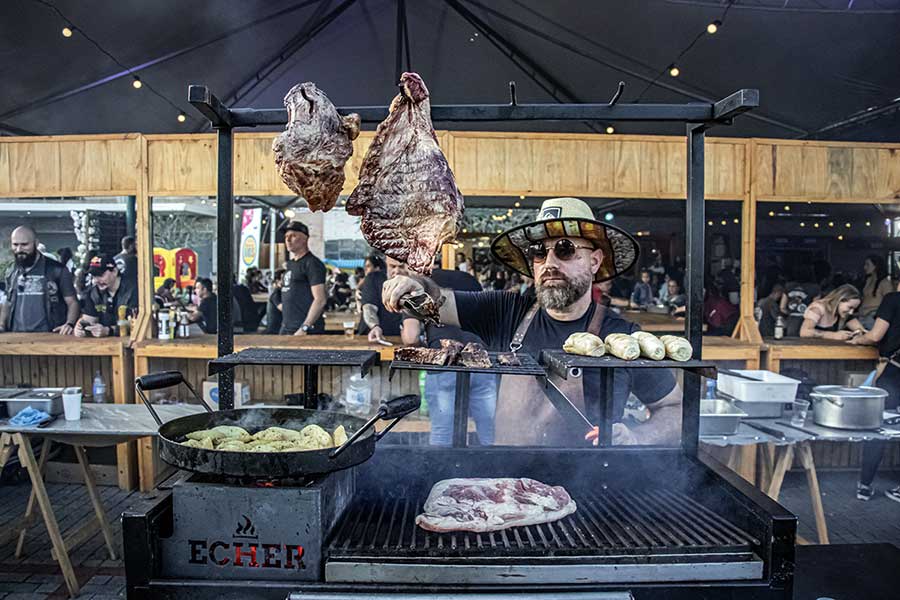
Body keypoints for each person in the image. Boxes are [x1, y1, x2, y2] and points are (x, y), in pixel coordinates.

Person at [383, 197, 682, 446]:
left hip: (588, 495)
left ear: (594, 261)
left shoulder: (622, 338)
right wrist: (415, 285)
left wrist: (638, 436)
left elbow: (675, 410)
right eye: (539, 252)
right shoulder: (507, 311)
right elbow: (439, 300)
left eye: (565, 249)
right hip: (509, 492)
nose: (550, 263)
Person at [389, 255, 497, 446]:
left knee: (442, 432)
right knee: (489, 431)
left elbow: (411, 337)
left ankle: (444, 473)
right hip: (482, 362)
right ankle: (498, 473)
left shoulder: (415, 287)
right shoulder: (468, 278)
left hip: (445, 364)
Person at [848, 281, 900, 503]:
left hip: (894, 372)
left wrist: (859, 338)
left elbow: (875, 336)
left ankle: (865, 485)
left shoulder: (893, 299)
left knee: (878, 427)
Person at [0, 226, 79, 335]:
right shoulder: (11, 271)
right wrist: (2, 325)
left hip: (49, 335)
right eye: (15, 244)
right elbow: (7, 302)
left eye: (24, 244)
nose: (19, 249)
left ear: (36, 243)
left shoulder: (57, 270)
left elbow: (72, 302)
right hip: (16, 335)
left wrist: (69, 324)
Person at [279, 220, 327, 335]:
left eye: (293, 236)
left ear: (305, 239)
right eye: (286, 236)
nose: (288, 240)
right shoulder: (290, 264)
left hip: (305, 330)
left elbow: (320, 299)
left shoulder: (312, 264)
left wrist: (305, 327)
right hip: (287, 327)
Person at [358, 255, 419, 343]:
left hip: (404, 338)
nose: (397, 271)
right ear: (386, 263)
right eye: (392, 266)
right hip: (376, 337)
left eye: (401, 266)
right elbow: (369, 307)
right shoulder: (373, 278)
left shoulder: (418, 282)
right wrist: (374, 326)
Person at [75, 253, 139, 338]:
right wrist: (81, 328)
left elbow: (137, 323)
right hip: (104, 346)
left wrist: (109, 330)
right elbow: (89, 320)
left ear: (115, 271)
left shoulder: (134, 290)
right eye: (94, 276)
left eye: (101, 275)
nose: (96, 280)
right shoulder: (93, 294)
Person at [799, 284, 865, 340]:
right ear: (840, 300)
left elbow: (860, 330)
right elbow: (804, 332)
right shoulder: (818, 308)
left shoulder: (844, 313)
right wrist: (833, 335)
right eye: (850, 307)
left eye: (854, 309)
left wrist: (858, 334)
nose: (851, 312)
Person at [859, 255, 893, 329]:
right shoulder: (868, 280)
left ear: (876, 266)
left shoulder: (885, 283)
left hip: (873, 317)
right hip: (862, 316)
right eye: (865, 264)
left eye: (868, 264)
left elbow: (890, 304)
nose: (865, 267)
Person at [265, 269, 286, 334]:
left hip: (280, 327)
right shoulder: (276, 293)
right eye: (284, 279)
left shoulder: (283, 292)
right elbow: (284, 309)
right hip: (275, 330)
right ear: (278, 281)